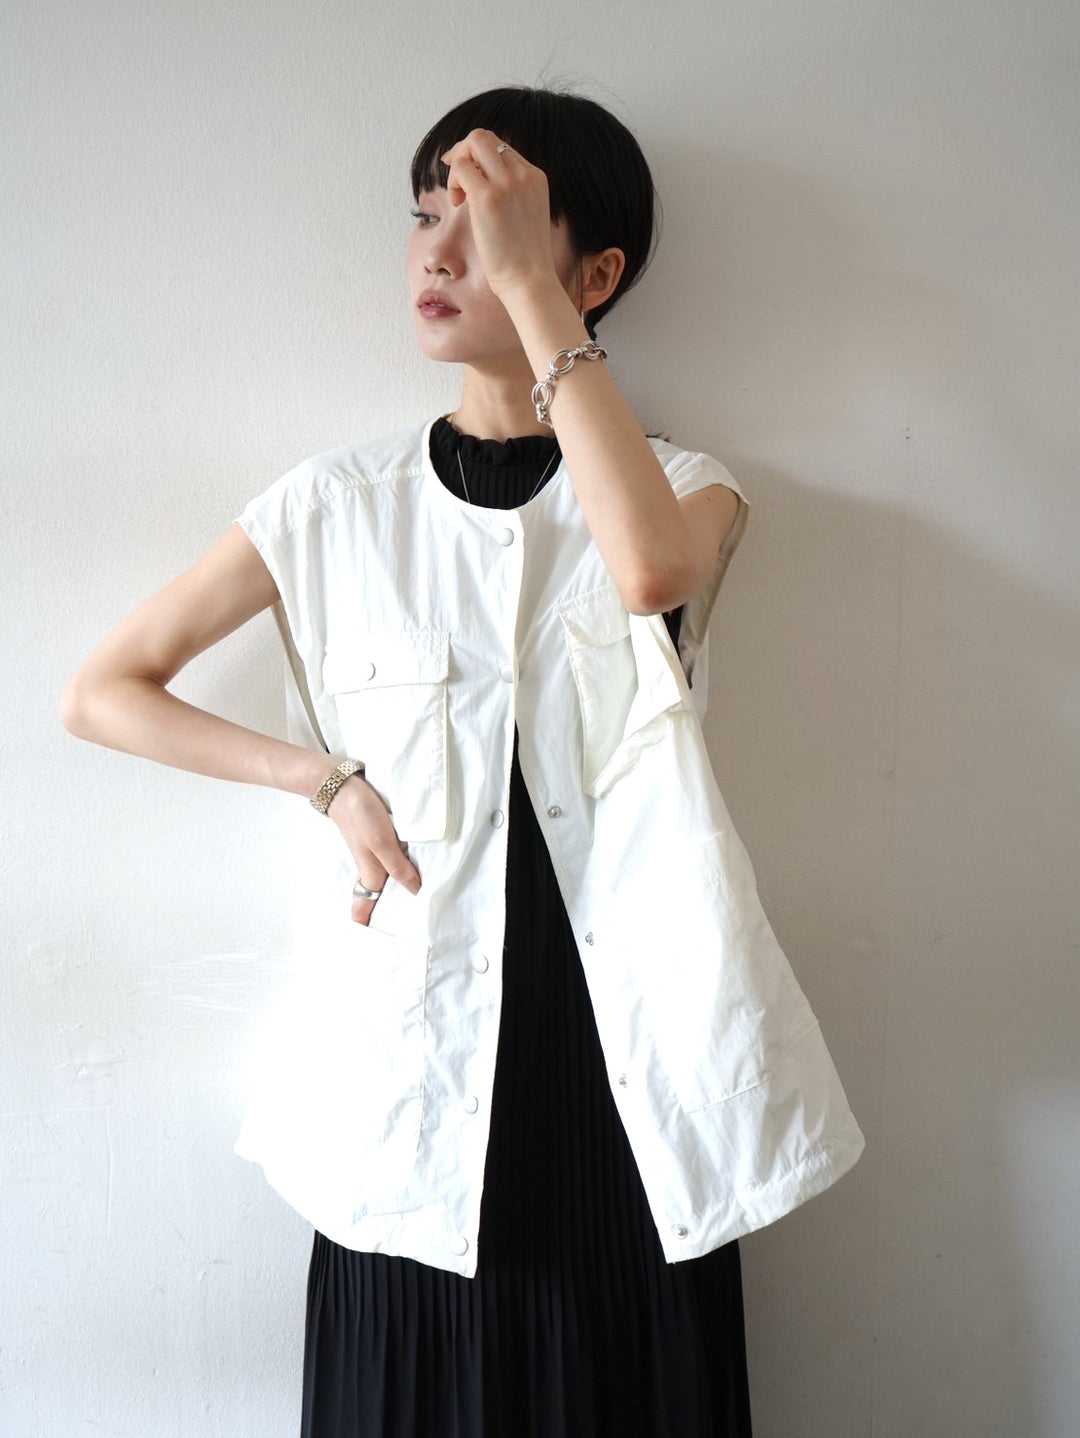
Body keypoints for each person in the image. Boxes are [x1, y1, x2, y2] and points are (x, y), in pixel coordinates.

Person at [61, 84, 864, 1437]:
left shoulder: (688, 484)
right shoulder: (334, 506)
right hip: (412, 1097)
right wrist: (322, 781)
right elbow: (103, 691)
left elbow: (646, 571)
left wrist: (537, 303)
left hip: (634, 1099)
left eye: (487, 225)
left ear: (593, 275)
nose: (438, 253)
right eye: (425, 215)